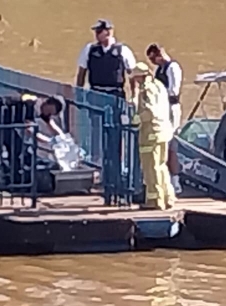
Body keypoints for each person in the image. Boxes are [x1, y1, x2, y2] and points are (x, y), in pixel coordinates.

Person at [131, 62, 176, 210]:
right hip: (164, 130)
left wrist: (137, 118)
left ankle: (154, 201)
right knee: (162, 166)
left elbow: (150, 111)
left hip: (151, 132)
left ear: (140, 77)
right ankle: (168, 198)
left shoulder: (146, 90)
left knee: (151, 168)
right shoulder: (159, 85)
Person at [146, 44, 183, 193]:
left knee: (171, 142)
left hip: (171, 109)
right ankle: (164, 176)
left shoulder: (172, 67)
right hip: (161, 108)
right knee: (162, 142)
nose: (153, 63)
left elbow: (174, 90)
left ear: (159, 55)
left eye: (153, 59)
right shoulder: (159, 69)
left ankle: (176, 180)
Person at [76, 19, 137, 99]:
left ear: (108, 32)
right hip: (95, 94)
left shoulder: (123, 50)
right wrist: (79, 94)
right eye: (96, 32)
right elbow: (81, 74)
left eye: (99, 31)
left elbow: (132, 75)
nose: (96, 35)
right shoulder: (89, 49)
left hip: (116, 95)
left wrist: (134, 96)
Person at [24, 95, 66, 166]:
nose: (48, 114)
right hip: (25, 142)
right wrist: (49, 141)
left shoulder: (46, 116)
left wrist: (62, 138)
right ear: (46, 103)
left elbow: (55, 128)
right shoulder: (32, 106)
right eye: (48, 111)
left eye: (50, 114)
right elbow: (31, 131)